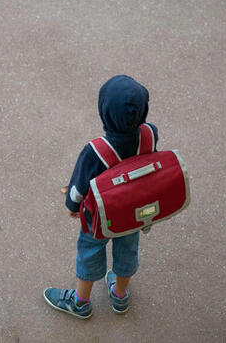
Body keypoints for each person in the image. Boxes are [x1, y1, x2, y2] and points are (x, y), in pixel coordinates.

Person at [43, 75, 159, 319]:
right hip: (132, 212)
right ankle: (119, 295)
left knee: (89, 251)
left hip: (98, 217)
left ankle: (81, 302)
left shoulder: (96, 151)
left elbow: (78, 187)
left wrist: (73, 206)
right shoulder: (150, 133)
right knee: (127, 250)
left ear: (104, 112)